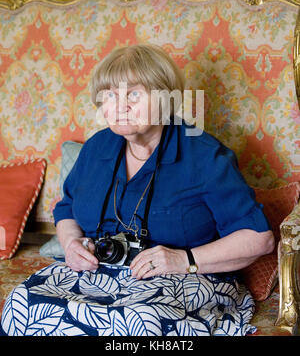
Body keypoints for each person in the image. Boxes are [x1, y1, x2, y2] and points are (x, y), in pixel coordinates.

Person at [0, 43, 274, 337]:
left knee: (134, 322)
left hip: (184, 278)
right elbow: (67, 209)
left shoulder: (203, 155)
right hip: (98, 273)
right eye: (110, 96)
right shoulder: (96, 148)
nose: (120, 106)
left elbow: (259, 238)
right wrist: (71, 246)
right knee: (21, 303)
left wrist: (185, 260)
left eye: (133, 94)